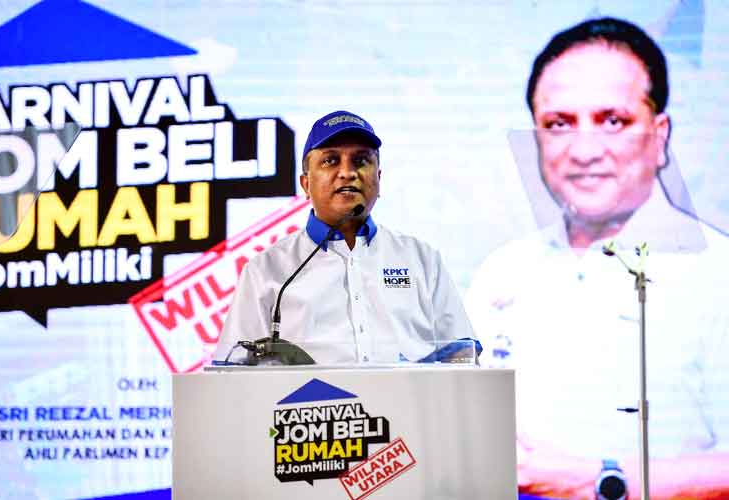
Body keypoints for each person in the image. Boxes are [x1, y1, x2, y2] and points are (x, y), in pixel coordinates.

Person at [466, 17, 729, 499]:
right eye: (559, 124)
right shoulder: (502, 271)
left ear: (660, 136)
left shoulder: (718, 275)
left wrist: (601, 481)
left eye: (613, 121)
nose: (584, 151)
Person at [214, 110, 476, 365]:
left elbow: (462, 355)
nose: (347, 172)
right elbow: (234, 366)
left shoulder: (423, 260)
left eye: (361, 161)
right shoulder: (265, 270)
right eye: (330, 161)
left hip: (413, 396)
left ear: (378, 178)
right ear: (306, 184)